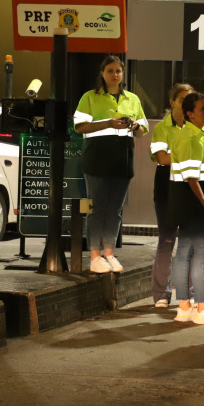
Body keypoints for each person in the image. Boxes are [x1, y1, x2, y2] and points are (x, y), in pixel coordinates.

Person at [74, 56, 148, 274]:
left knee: (115, 210)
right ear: (102, 74)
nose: (115, 74)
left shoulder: (132, 99)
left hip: (123, 160)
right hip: (97, 158)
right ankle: (95, 255)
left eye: (118, 71)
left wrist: (135, 125)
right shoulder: (90, 97)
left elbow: (143, 130)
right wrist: (107, 122)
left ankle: (109, 252)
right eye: (110, 71)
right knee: (96, 208)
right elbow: (79, 127)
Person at [168, 92, 204, 325]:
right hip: (195, 202)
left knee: (184, 253)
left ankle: (183, 306)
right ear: (190, 113)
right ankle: (201, 307)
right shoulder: (191, 138)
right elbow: (192, 178)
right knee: (201, 255)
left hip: (184, 201)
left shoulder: (196, 133)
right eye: (203, 108)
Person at [149, 83, 194, 307]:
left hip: (190, 188)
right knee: (166, 242)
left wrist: (175, 154)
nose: (185, 104)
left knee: (189, 244)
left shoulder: (197, 127)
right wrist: (187, 155)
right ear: (172, 102)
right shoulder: (161, 128)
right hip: (166, 188)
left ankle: (189, 294)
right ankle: (161, 295)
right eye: (181, 99)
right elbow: (161, 159)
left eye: (189, 99)